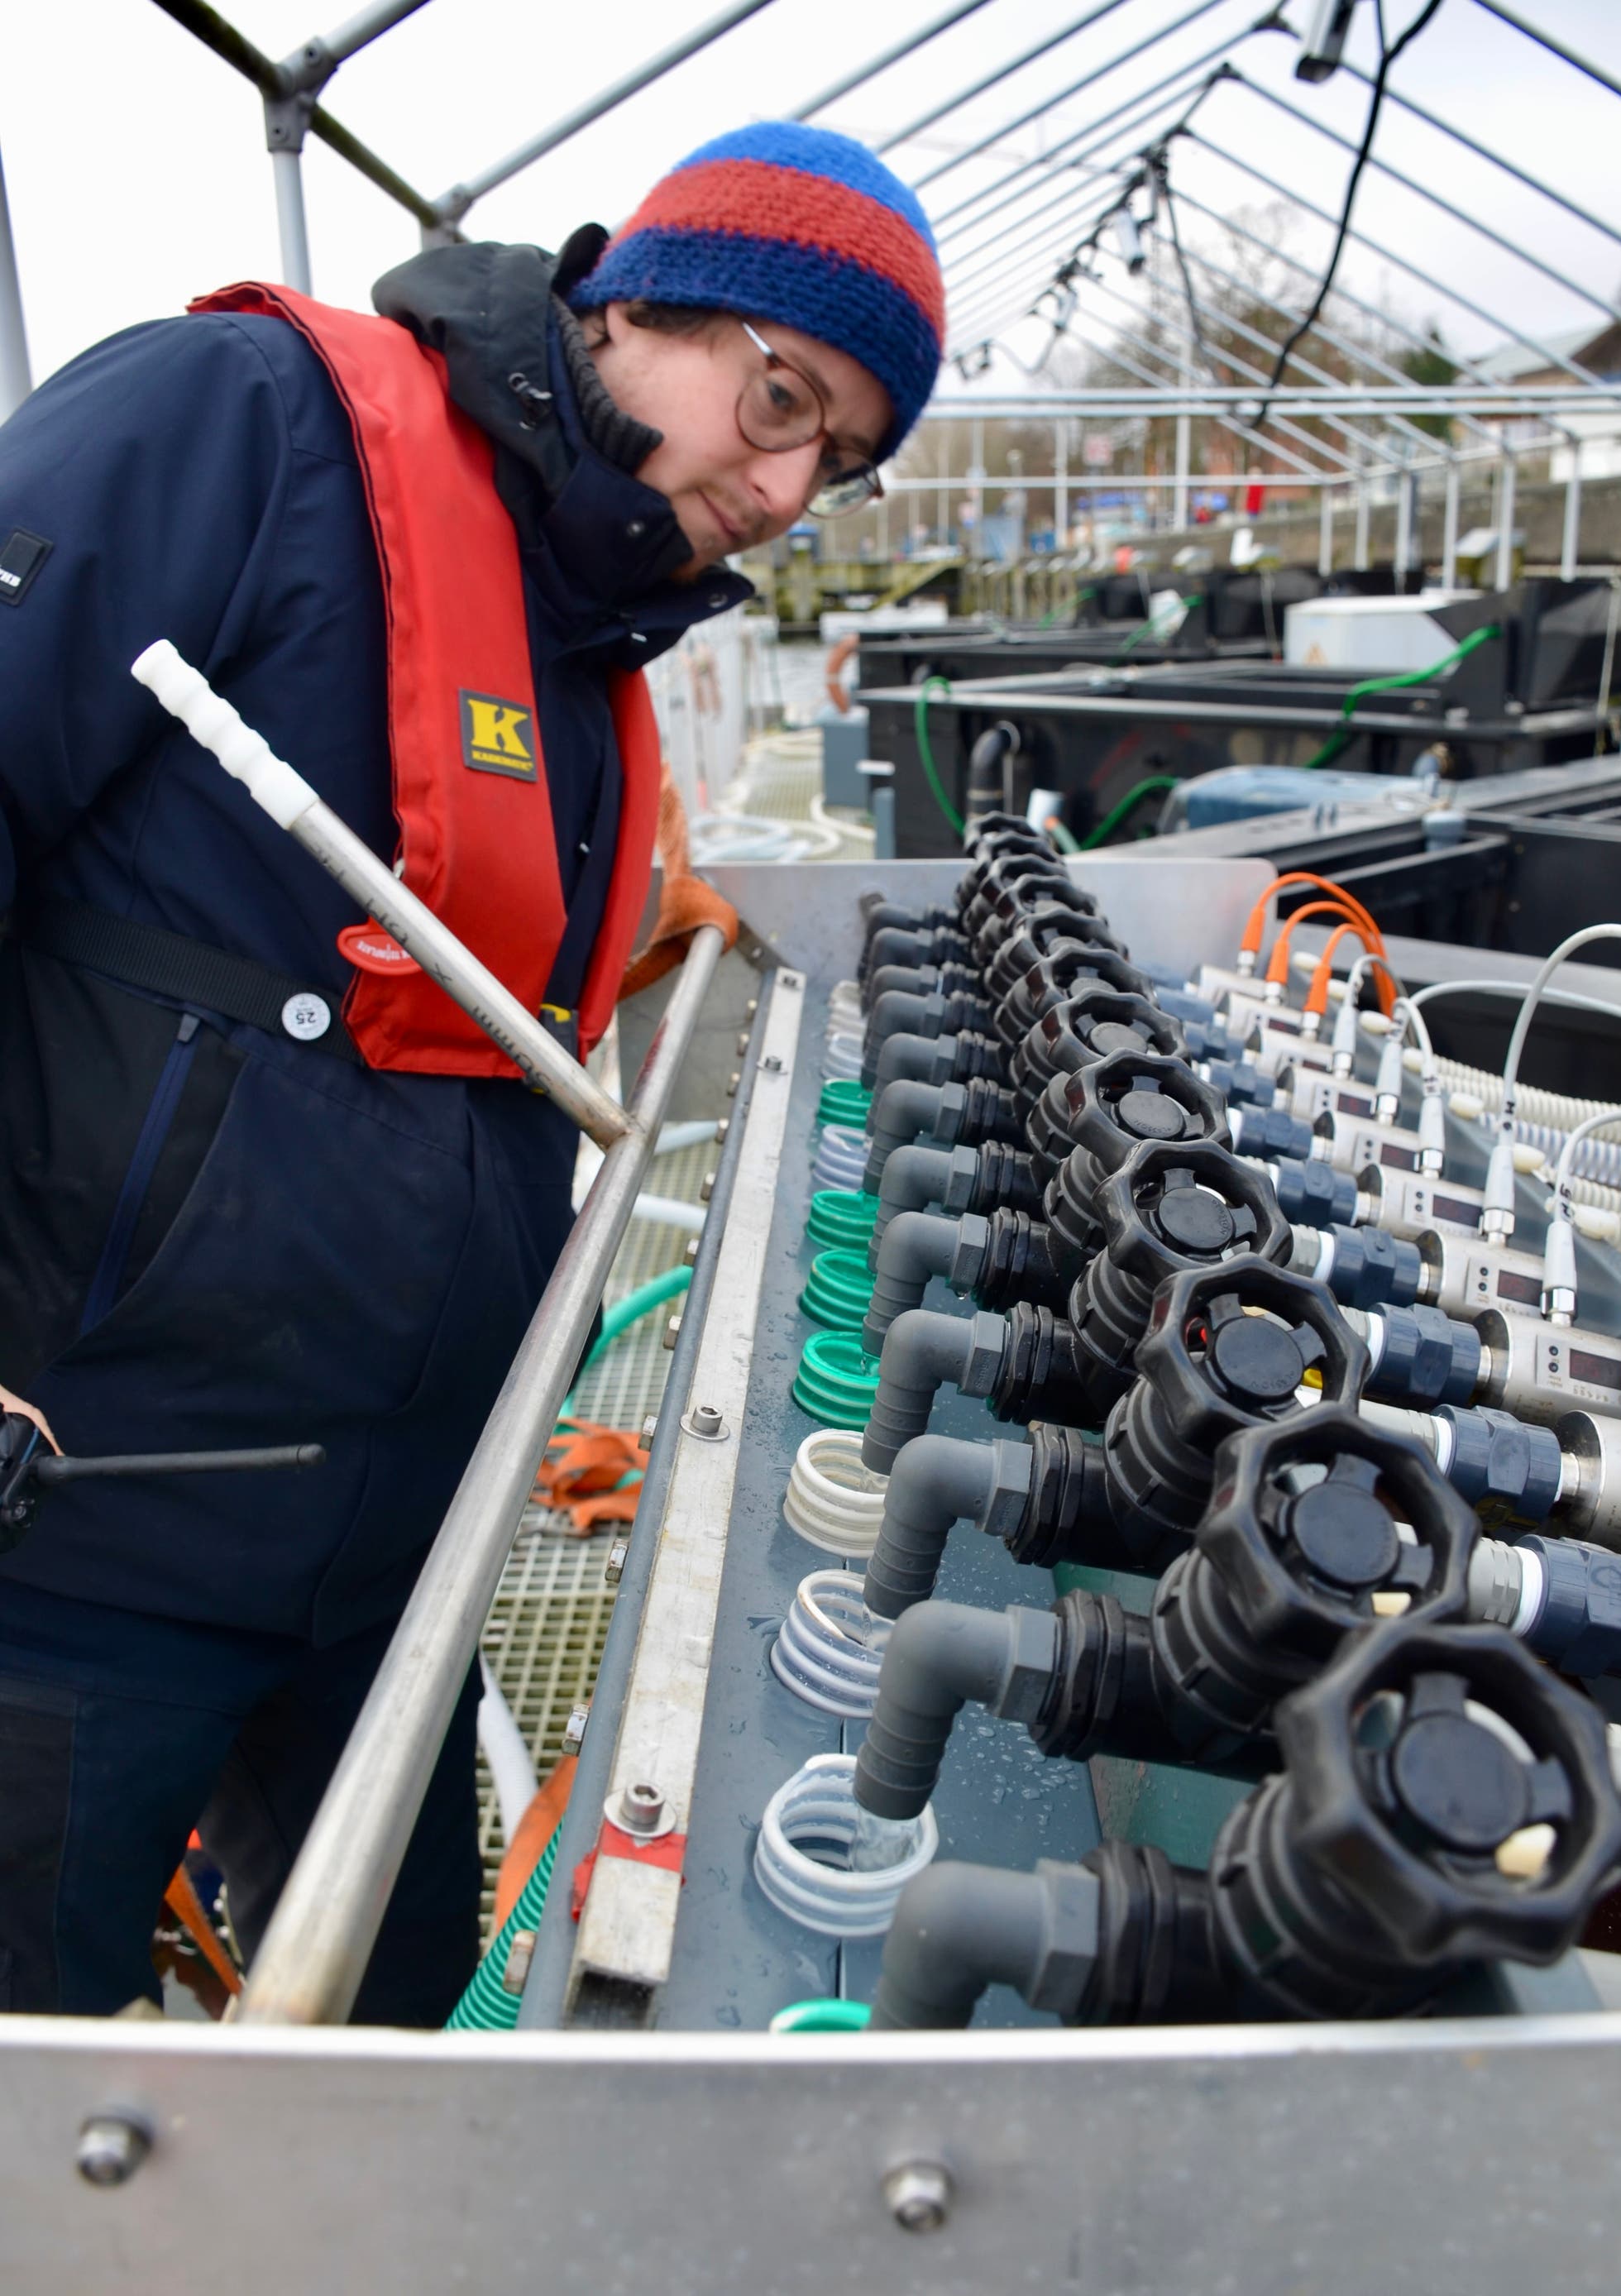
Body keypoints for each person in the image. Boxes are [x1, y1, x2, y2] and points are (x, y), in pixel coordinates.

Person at [0, 121, 943, 2022]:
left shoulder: (585, 637)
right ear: (633, 305)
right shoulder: (245, 422)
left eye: (829, 458)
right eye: (775, 399)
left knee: (408, 2043)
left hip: (394, 1559)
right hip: (87, 1532)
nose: (777, 485)